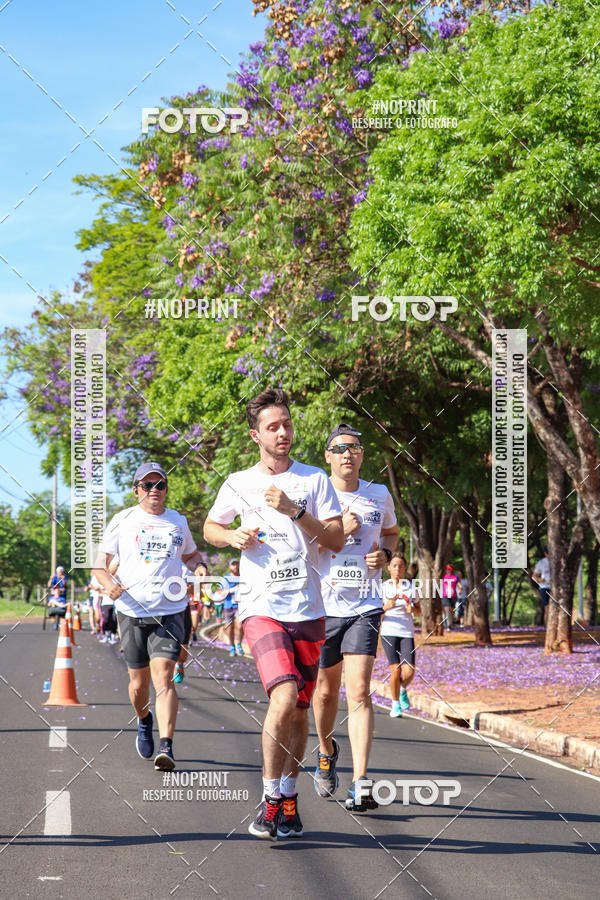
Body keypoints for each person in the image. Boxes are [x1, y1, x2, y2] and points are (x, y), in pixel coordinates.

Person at [204, 388, 344, 841]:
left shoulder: (315, 480)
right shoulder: (238, 482)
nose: (282, 432)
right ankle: (268, 800)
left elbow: (336, 540)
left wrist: (294, 509)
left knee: (300, 711)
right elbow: (209, 527)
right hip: (260, 607)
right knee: (283, 697)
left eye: (286, 423)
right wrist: (231, 537)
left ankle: (288, 797)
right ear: (255, 435)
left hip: (308, 608)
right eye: (272, 426)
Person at [93, 462, 207, 772]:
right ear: (136, 490)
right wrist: (109, 586)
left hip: (169, 611)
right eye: (147, 485)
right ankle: (144, 719)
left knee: (164, 678)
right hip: (131, 612)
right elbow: (97, 564)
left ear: (166, 489)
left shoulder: (177, 521)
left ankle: (166, 746)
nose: (154, 490)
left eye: (160, 485)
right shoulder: (123, 520)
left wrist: (199, 567)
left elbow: (191, 554)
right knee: (137, 684)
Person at [312, 423, 398, 811]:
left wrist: (388, 555)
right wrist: (335, 531)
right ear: (327, 456)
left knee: (359, 691)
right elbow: (298, 545)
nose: (348, 453)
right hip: (321, 606)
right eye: (340, 448)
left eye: (355, 447)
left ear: (362, 455)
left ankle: (362, 781)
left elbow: (392, 534)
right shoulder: (315, 493)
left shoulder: (378, 494)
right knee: (326, 693)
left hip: (365, 604)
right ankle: (327, 750)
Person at [381, 555, 420, 717]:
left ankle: (402, 689)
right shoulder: (382, 588)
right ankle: (395, 704)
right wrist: (386, 607)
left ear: (404, 569)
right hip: (388, 631)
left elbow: (419, 610)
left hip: (406, 632)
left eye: (401, 566)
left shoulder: (411, 587)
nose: (397, 569)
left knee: (409, 671)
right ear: (388, 568)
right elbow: (375, 613)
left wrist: (414, 611)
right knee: (395, 670)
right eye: (394, 565)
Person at [174, 562, 207, 683]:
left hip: (186, 607)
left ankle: (179, 664)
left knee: (183, 651)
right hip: (165, 610)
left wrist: (191, 589)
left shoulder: (186, 570)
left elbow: (199, 592)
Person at [217, 558, 243, 658]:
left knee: (240, 625)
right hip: (228, 606)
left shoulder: (243, 577)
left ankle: (239, 644)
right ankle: (232, 646)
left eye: (236, 564)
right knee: (230, 627)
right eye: (233, 564)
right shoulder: (225, 579)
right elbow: (219, 592)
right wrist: (232, 590)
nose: (235, 566)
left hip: (240, 605)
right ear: (229, 566)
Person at [533, 547, 551, 625]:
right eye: (549, 554)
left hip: (556, 588)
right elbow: (534, 576)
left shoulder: (558, 561)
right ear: (545, 554)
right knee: (547, 608)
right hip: (545, 587)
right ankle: (548, 627)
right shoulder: (541, 562)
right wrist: (541, 580)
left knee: (556, 608)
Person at [441, 564, 459, 631]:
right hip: (445, 595)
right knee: (447, 609)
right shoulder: (444, 577)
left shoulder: (455, 577)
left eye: (450, 569)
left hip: (453, 595)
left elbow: (459, 584)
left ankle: (451, 623)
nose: (449, 570)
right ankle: (448, 625)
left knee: (451, 610)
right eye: (448, 569)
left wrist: (460, 588)